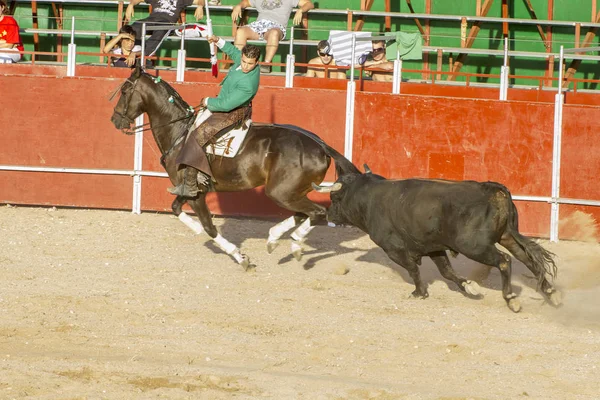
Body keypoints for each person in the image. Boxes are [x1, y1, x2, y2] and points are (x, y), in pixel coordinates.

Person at [168, 35, 261, 197]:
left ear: (257, 62)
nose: (245, 66)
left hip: (232, 112)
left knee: (198, 136)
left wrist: (207, 101)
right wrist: (218, 41)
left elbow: (226, 105)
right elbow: (233, 52)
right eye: (244, 61)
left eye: (250, 64)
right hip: (226, 104)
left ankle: (190, 185)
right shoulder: (244, 60)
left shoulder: (248, 84)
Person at [231, 0, 314, 73]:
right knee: (241, 31)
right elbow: (246, 2)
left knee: (274, 33)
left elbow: (309, 3)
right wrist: (239, 6)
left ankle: (266, 64)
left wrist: (300, 10)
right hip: (259, 25)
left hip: (277, 26)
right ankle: (238, 63)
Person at [125, 0, 205, 57]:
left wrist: (200, 6)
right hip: (151, 20)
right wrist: (131, 4)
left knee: (159, 33)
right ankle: (127, 51)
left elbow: (200, 1)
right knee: (135, 26)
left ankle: (141, 55)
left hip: (167, 22)